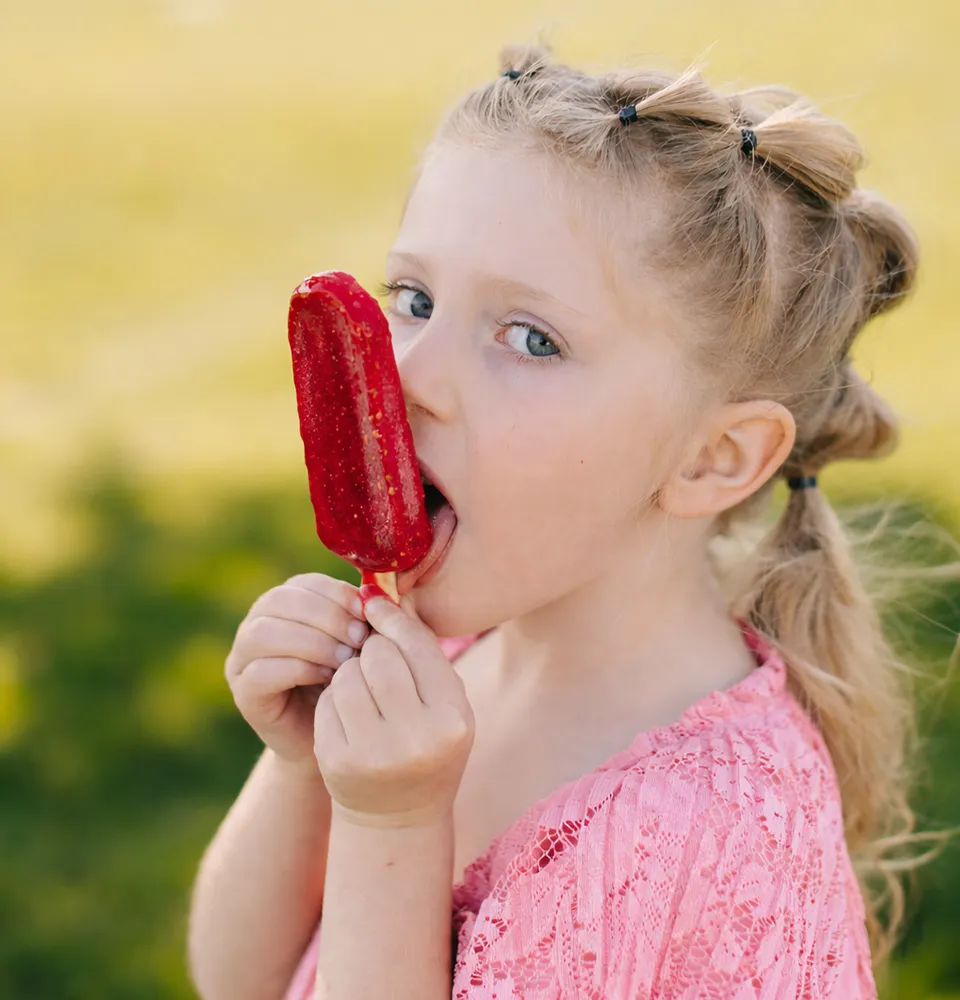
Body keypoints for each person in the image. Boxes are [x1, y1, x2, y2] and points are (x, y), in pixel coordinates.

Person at [187, 43, 945, 999]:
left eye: (531, 338)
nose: (411, 376)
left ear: (713, 457)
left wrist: (393, 825)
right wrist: (304, 769)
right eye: (414, 300)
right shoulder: (458, 655)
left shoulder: (694, 829)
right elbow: (234, 980)